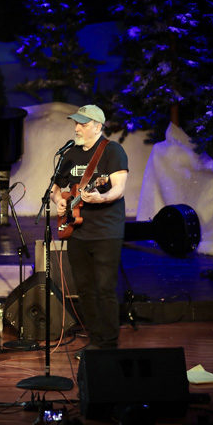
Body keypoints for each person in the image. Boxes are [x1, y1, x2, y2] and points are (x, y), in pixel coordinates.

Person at [51, 105, 128, 357]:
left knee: (105, 288)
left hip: (106, 231)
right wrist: (58, 201)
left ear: (98, 126)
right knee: (84, 289)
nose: (76, 128)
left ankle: (108, 344)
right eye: (76, 123)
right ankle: (95, 340)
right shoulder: (70, 153)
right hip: (77, 232)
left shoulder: (112, 151)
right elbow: (55, 188)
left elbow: (118, 188)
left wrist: (101, 199)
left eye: (82, 124)